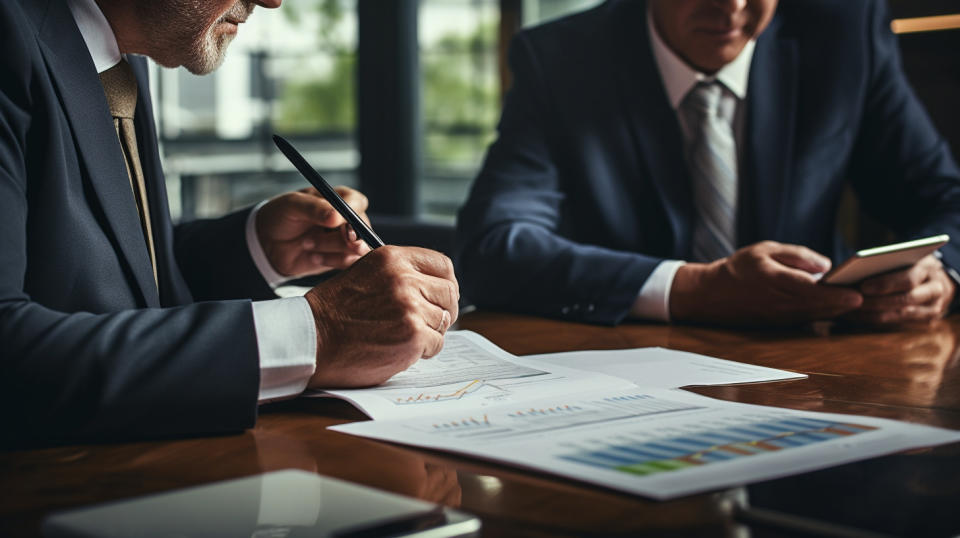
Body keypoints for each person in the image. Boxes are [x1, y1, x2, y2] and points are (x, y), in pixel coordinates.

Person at [0, 0, 459, 443]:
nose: (272, 1)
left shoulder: (120, 56)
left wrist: (255, 245)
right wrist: (319, 332)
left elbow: (123, 281)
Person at [456, 0, 960, 327]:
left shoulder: (845, 35)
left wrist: (942, 272)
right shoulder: (561, 59)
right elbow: (495, 246)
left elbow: (945, 200)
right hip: (624, 375)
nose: (733, 5)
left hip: (825, 368)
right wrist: (696, 288)